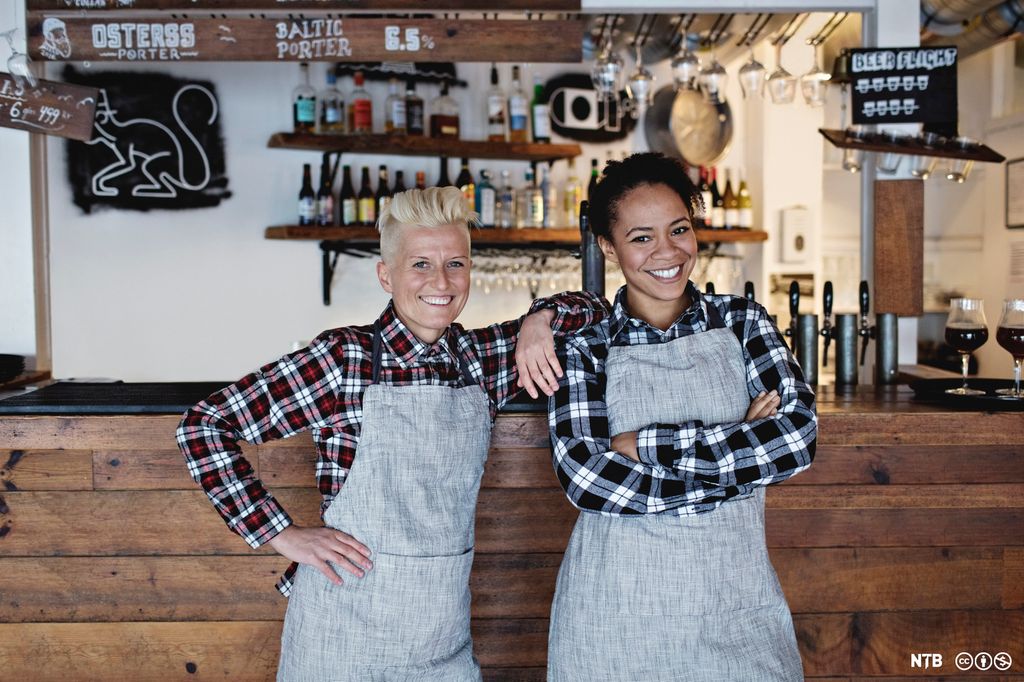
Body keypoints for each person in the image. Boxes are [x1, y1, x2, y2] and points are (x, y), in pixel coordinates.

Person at [176, 187, 608, 681]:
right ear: (386, 274)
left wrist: (541, 318)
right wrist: (281, 534)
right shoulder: (344, 359)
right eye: (420, 264)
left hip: (443, 641)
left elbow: (595, 307)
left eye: (456, 264)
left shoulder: (482, 359)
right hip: (342, 636)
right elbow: (205, 426)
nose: (441, 281)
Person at [546, 153, 817, 681]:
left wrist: (644, 446)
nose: (667, 252)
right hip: (614, 616)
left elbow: (796, 439)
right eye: (641, 237)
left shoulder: (742, 321)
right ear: (608, 245)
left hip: (735, 604)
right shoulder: (586, 344)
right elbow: (587, 480)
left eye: (679, 229)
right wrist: (736, 458)